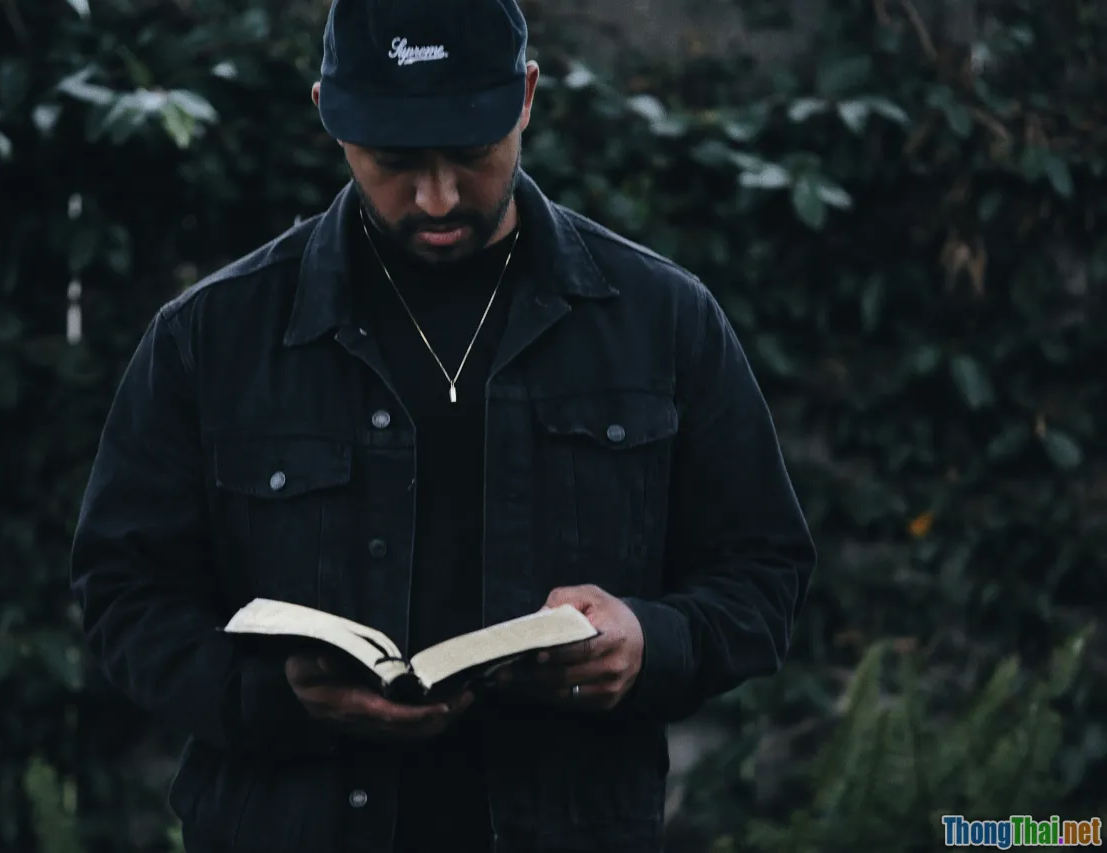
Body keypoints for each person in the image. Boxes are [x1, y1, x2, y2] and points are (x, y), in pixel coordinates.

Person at [69, 0, 816, 850]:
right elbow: (124, 592)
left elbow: (764, 569)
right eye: (393, 161)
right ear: (329, 115)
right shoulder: (211, 337)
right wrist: (272, 696)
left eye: (471, 152)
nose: (437, 195)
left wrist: (651, 643)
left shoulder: (663, 320)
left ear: (526, 97)